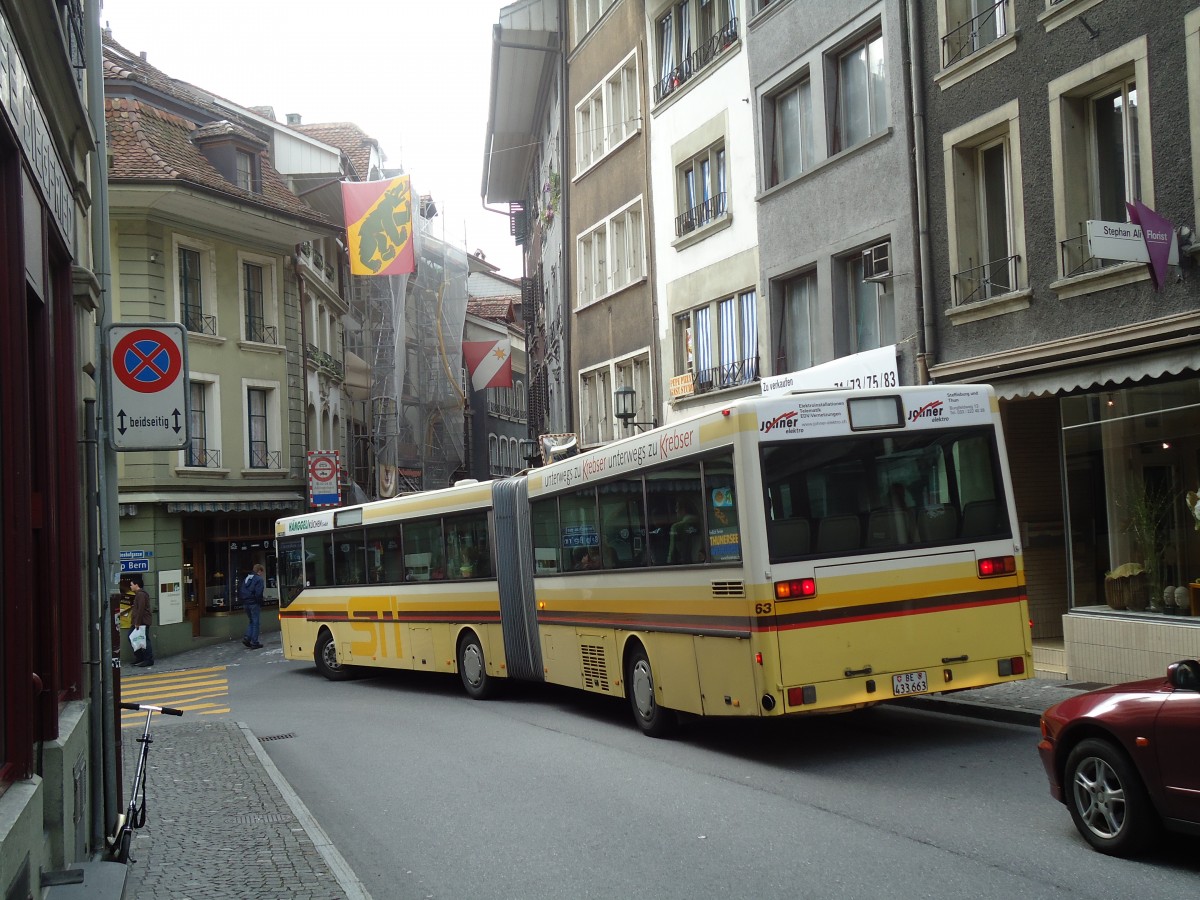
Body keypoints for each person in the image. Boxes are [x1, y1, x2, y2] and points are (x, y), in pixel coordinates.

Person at [129, 574, 154, 667]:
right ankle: (141, 657)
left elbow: (141, 609)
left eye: (131, 584)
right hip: (140, 621)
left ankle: (148, 659)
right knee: (137, 638)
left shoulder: (141, 595)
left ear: (136, 585)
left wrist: (137, 623)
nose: (130, 586)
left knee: (144, 640)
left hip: (142, 622)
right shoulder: (139, 594)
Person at [239, 563, 266, 649]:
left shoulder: (247, 578)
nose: (262, 574)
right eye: (262, 572)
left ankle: (247, 637)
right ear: (259, 571)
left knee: (251, 621)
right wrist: (260, 602)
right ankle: (254, 642)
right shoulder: (259, 579)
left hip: (246, 603)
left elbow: (241, 590)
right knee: (256, 623)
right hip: (254, 603)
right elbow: (259, 593)